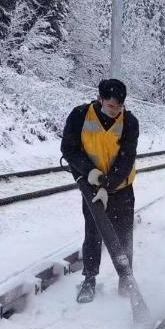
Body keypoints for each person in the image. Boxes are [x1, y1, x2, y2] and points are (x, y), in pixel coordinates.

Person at [61, 78, 139, 304]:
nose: (115, 111)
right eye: (110, 106)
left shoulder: (129, 122)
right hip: (91, 184)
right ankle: (89, 278)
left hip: (121, 186)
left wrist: (109, 185)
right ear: (100, 99)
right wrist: (89, 172)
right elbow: (69, 148)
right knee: (93, 233)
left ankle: (126, 278)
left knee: (124, 234)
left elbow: (127, 159)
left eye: (119, 107)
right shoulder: (80, 116)